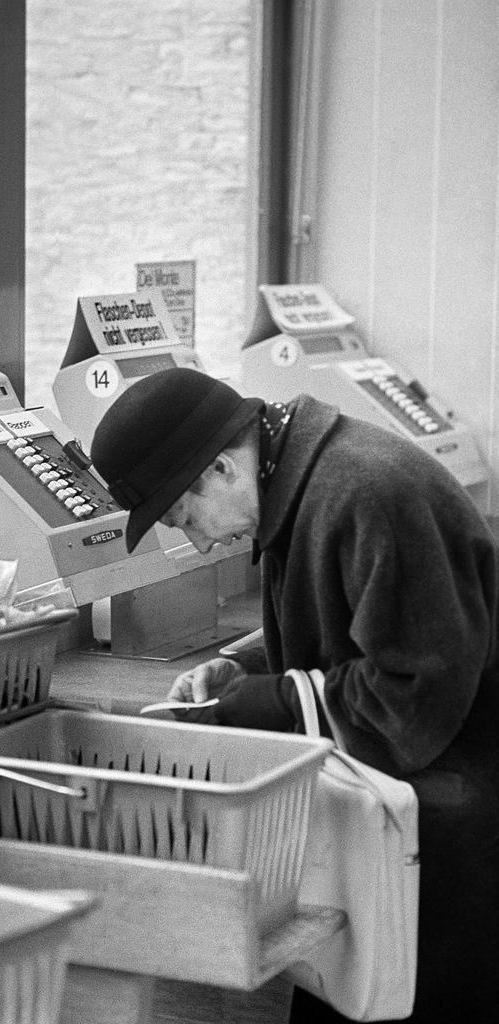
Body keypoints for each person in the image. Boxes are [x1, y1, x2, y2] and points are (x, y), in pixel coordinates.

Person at [90, 366, 499, 1023]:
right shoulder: (304, 478)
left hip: (455, 815)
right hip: (404, 807)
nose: (199, 541)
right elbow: (355, 620)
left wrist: (262, 703)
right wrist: (240, 665)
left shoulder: (368, 492)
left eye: (184, 515)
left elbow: (410, 695)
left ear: (222, 469)